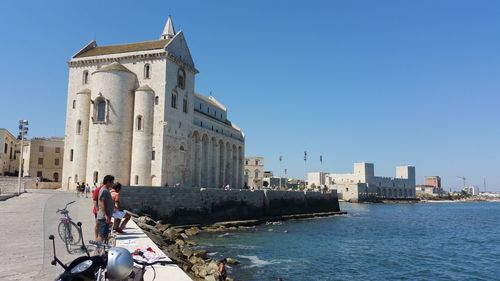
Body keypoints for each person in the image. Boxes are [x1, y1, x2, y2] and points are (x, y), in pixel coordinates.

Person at [97, 175, 115, 243]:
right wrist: (106, 215)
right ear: (108, 182)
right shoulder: (104, 190)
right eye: (112, 182)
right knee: (101, 235)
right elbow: (102, 203)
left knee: (104, 234)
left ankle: (102, 250)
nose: (113, 184)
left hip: (106, 216)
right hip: (104, 217)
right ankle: (98, 250)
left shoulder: (106, 190)